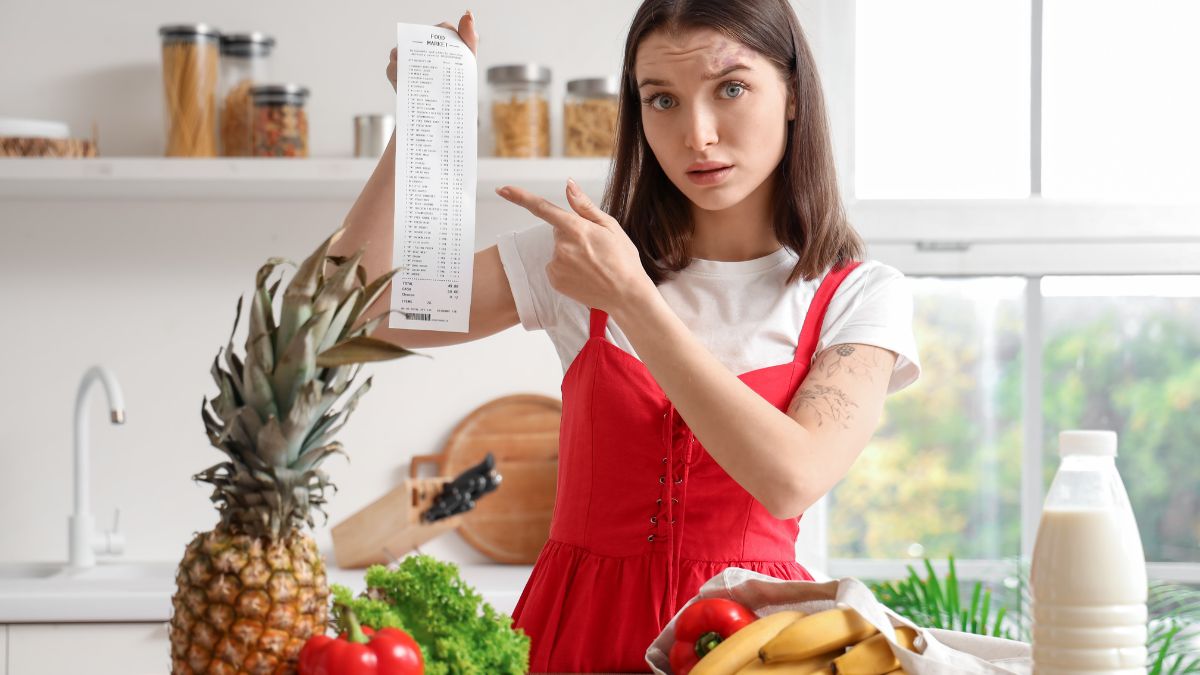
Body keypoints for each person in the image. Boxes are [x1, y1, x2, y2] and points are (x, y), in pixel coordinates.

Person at [335, 0, 921, 670]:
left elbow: (790, 478)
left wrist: (634, 300)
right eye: (662, 99)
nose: (696, 134)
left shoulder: (858, 294)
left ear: (792, 94)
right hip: (567, 636)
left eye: (731, 88)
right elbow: (353, 316)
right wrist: (424, 120)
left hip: (745, 649)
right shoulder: (578, 257)